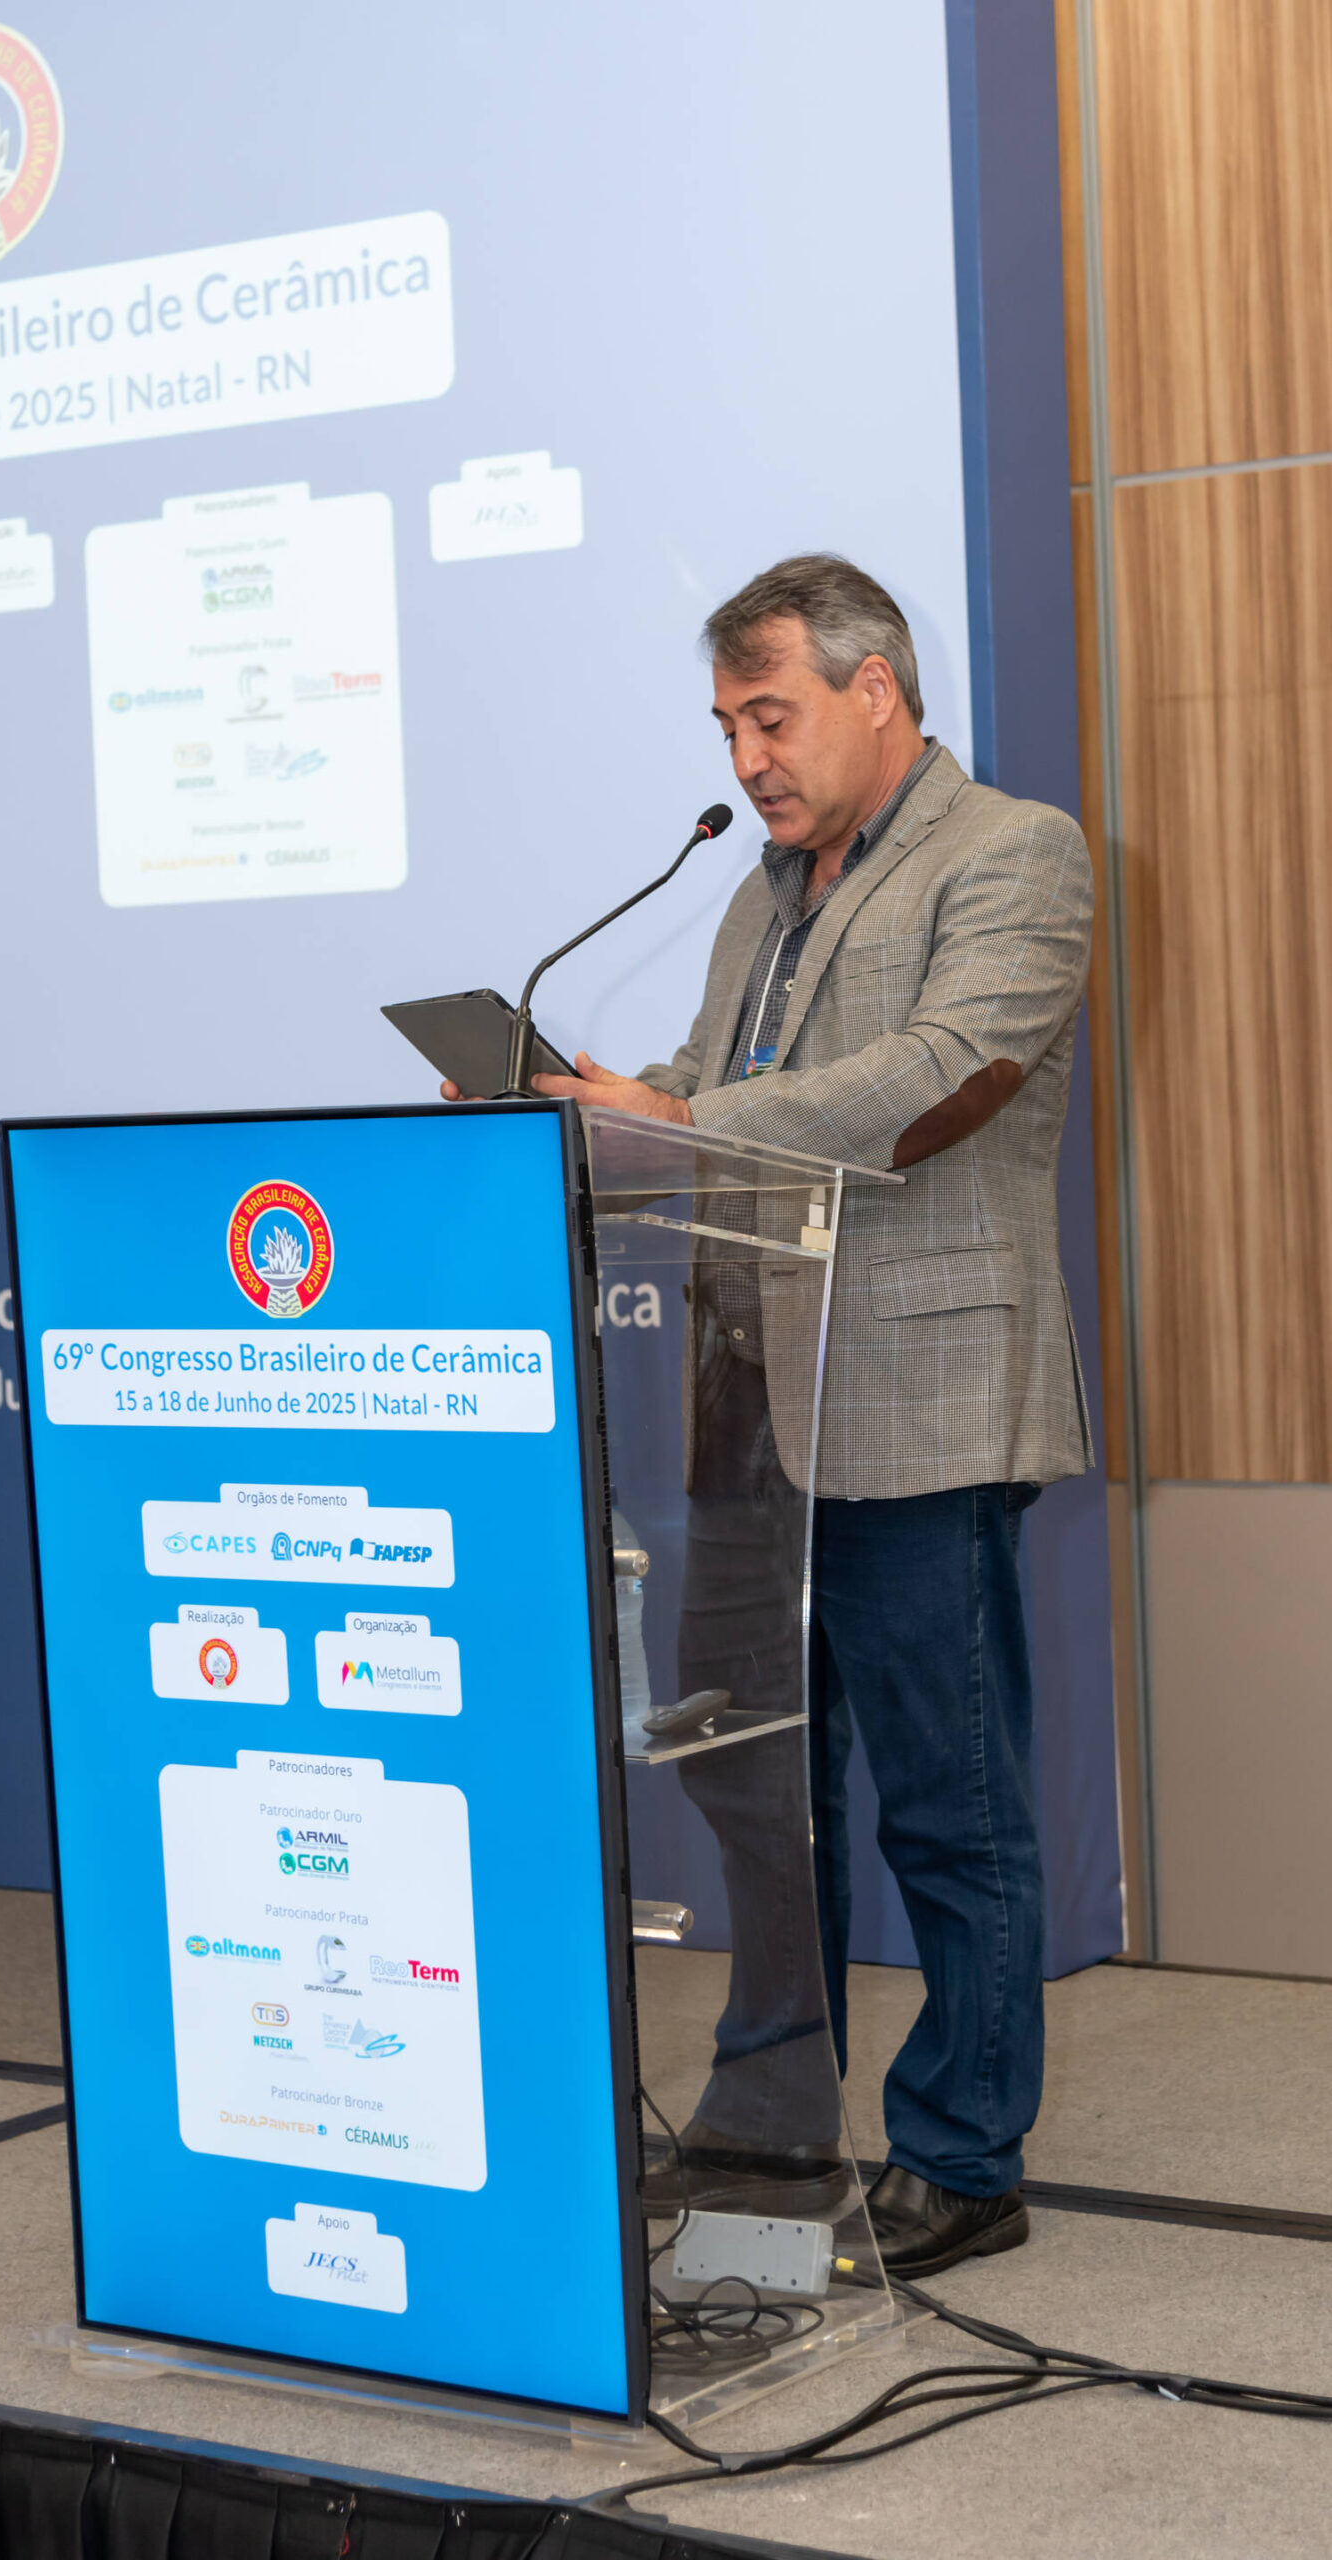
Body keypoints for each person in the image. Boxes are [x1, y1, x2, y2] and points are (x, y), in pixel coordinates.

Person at [529, 554, 1094, 2275]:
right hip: (745, 1409)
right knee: (757, 1795)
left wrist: (681, 1123)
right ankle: (774, 2118)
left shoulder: (1012, 851)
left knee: (946, 1806)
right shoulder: (758, 892)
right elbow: (711, 1090)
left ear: (875, 689)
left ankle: (963, 2154)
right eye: (725, 727)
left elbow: (942, 1070)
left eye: (768, 717)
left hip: (916, 1400)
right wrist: (577, 1108)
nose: (746, 758)